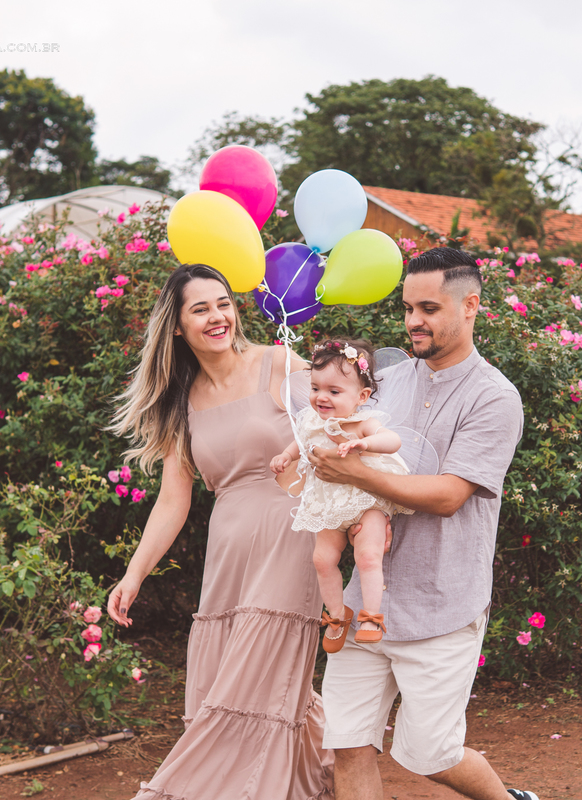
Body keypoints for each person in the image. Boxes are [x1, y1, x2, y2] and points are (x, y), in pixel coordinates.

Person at [309, 248, 538, 800]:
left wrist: (355, 472)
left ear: (471, 306)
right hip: (369, 601)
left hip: (443, 601)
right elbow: (328, 420)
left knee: (430, 754)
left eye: (430, 308)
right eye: (409, 307)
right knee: (348, 743)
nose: (414, 321)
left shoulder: (494, 397)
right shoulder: (384, 379)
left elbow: (448, 495)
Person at [106, 263, 333, 800]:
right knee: (249, 682)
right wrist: (134, 574)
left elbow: (339, 421)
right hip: (229, 553)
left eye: (224, 303)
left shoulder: (278, 363)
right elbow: (172, 500)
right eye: (200, 308)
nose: (217, 316)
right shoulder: (179, 403)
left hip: (290, 536)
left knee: (256, 676)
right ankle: (317, 780)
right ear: (178, 326)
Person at [270, 338, 414, 654]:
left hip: (366, 500)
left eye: (334, 392)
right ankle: (337, 614)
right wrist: (286, 455)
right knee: (322, 559)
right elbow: (301, 441)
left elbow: (392, 441)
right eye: (315, 388)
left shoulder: (363, 423)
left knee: (368, 556)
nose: (321, 397)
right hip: (328, 501)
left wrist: (365, 444)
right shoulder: (309, 419)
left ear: (361, 396)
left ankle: (372, 617)